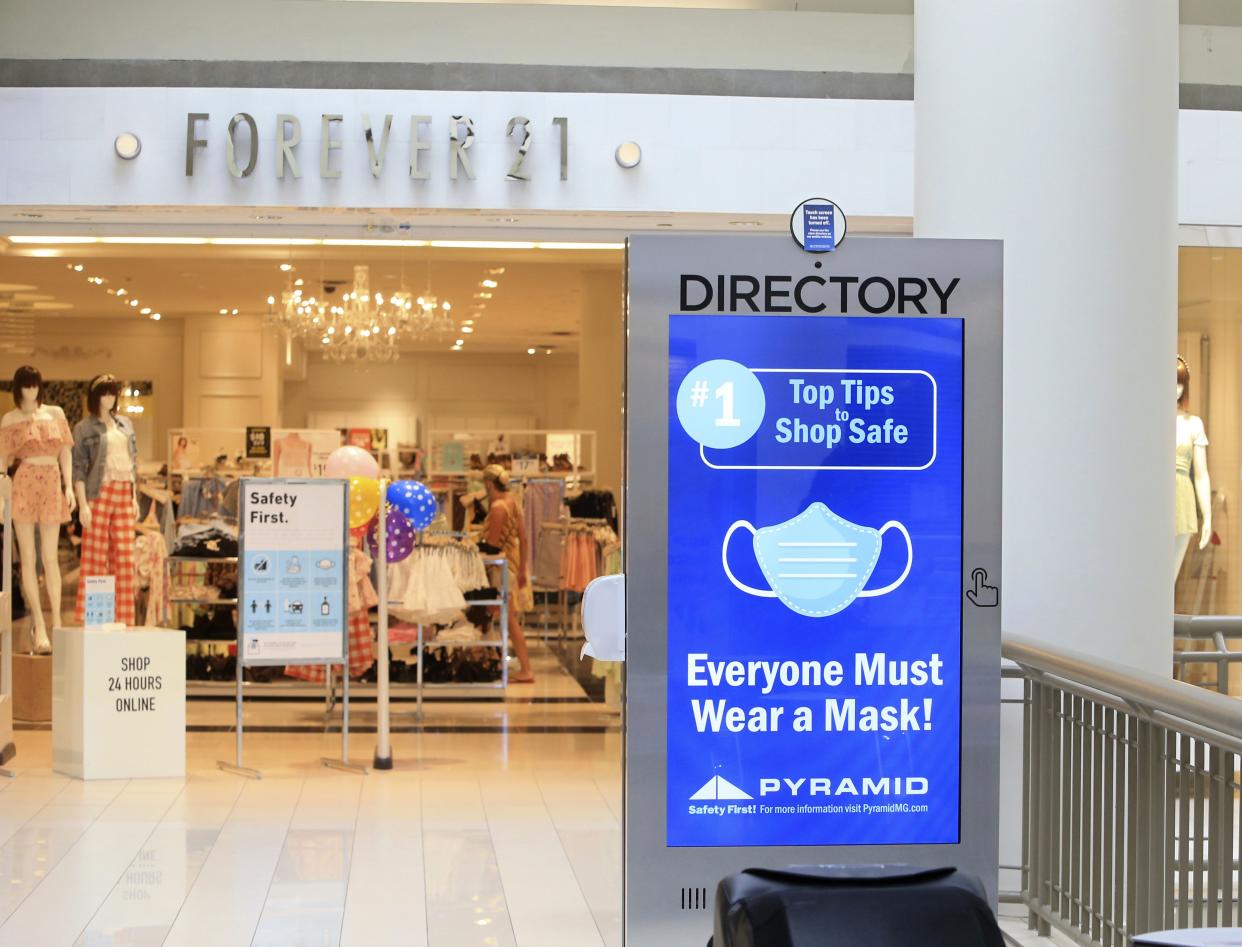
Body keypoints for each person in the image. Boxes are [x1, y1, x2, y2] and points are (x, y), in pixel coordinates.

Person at [480, 464, 535, 683]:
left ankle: (526, 669)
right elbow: (523, 538)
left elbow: (492, 545)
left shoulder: (497, 508)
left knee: (508, 618)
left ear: (488, 483)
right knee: (498, 615)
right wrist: (522, 568)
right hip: (513, 565)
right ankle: (490, 658)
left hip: (500, 568)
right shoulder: (514, 504)